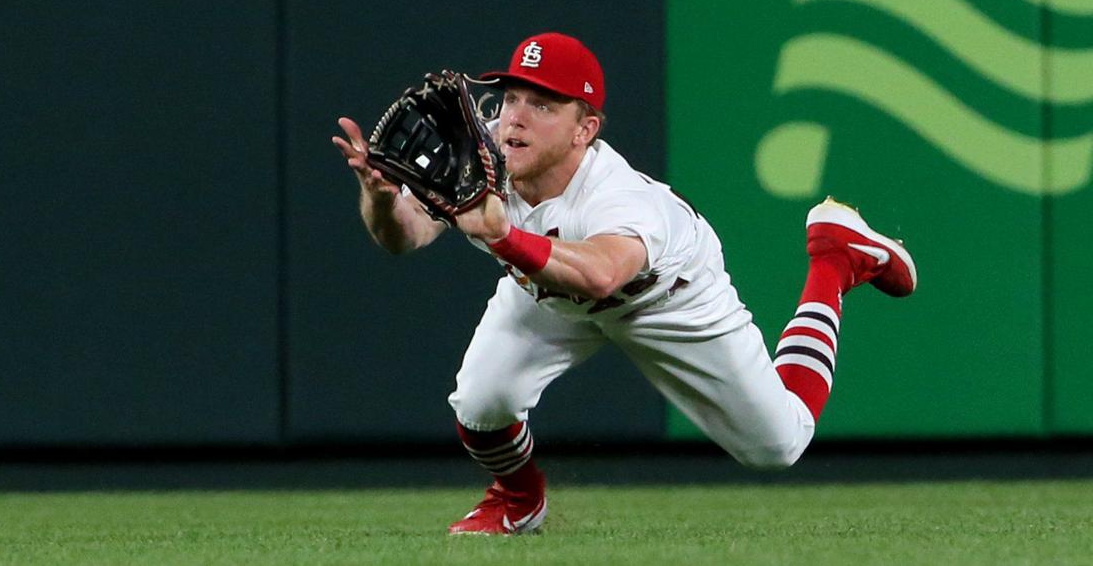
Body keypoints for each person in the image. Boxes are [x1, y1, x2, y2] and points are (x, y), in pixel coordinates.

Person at [331, 32, 916, 535]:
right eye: (509, 97)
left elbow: (603, 272)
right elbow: (402, 237)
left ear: (585, 128)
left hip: (664, 298)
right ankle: (518, 502)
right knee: (483, 404)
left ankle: (834, 260)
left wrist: (504, 236)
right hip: (547, 292)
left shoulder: (620, 198)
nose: (515, 117)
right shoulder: (484, 152)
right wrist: (380, 198)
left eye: (542, 104)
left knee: (777, 446)